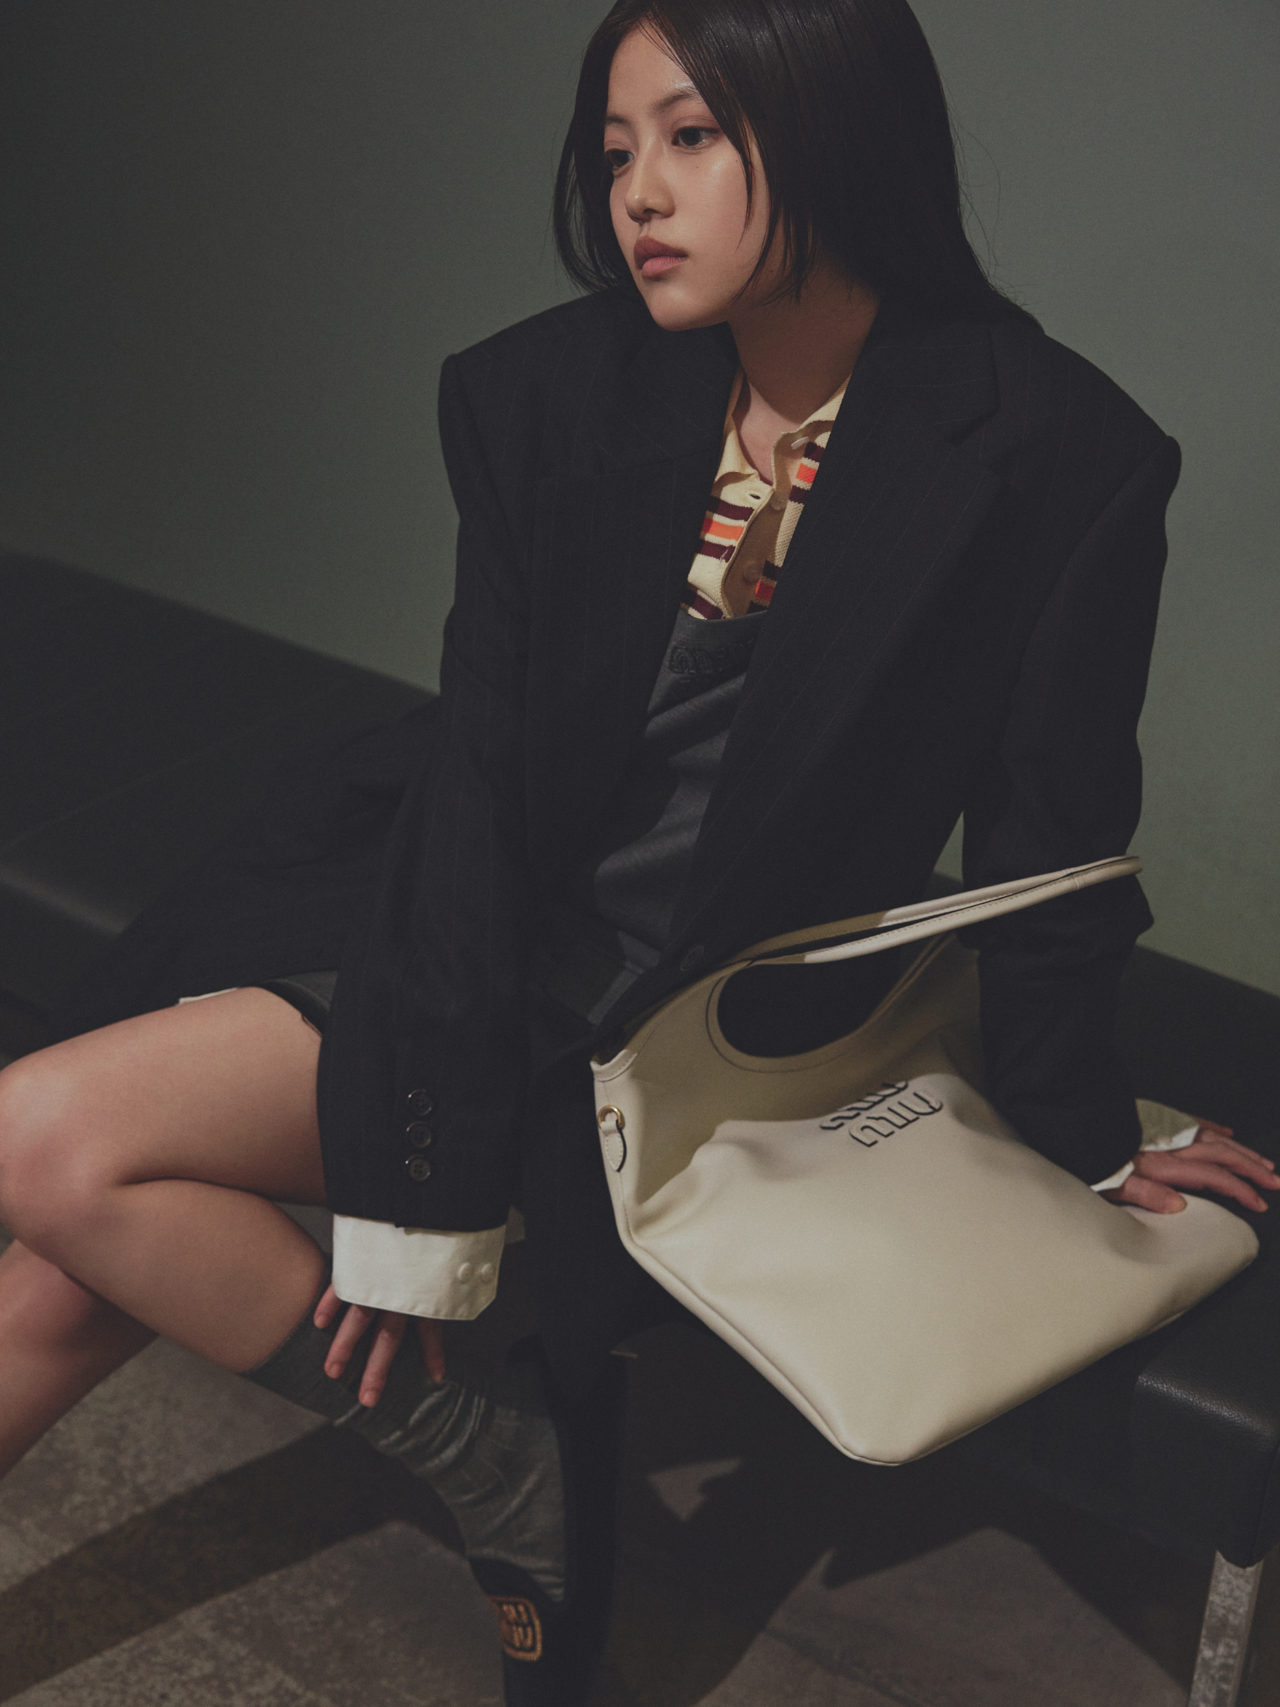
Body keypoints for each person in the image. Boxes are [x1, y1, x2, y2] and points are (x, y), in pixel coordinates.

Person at [0, 0, 1275, 1701]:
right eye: (616, 154)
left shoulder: (1055, 452)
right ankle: (485, 1447)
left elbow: (1054, 840)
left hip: (687, 1019)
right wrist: (423, 1194)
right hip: (448, 908)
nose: (637, 197)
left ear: (833, 134)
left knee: (57, 1179)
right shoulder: (547, 393)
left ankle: (492, 1447)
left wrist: (1086, 1133)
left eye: (690, 139)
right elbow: (475, 793)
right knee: (57, 1203)